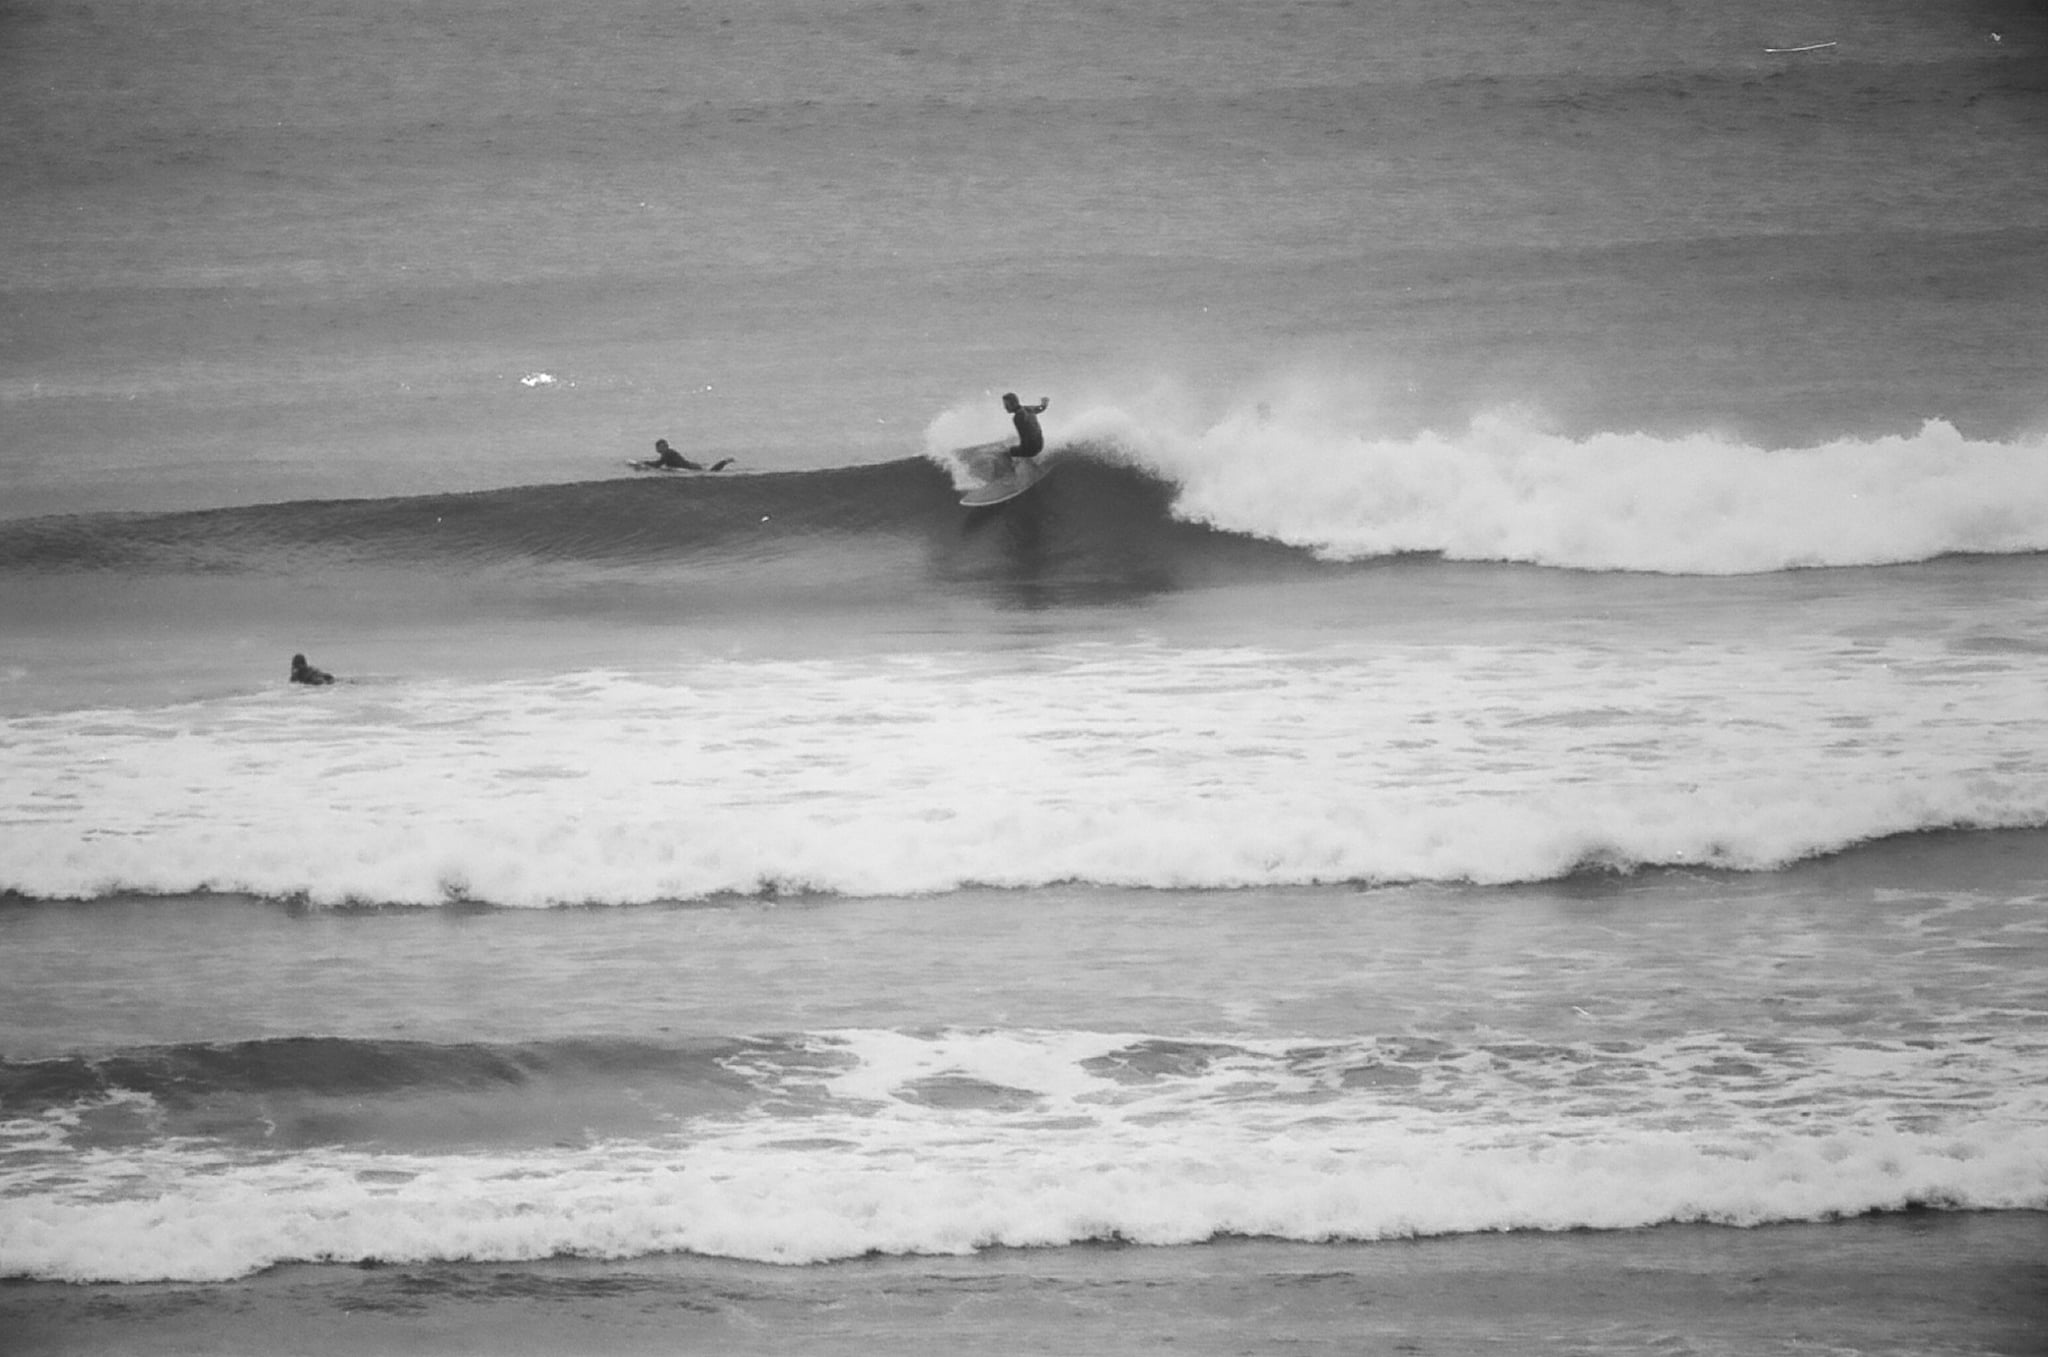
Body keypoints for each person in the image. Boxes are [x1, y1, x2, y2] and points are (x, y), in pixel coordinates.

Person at [1002, 394, 1050, 468]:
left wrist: (1021, 452)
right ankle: (1027, 461)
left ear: (1013, 404)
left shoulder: (1017, 417)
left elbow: (1025, 438)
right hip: (1040, 445)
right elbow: (1041, 408)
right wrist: (1044, 403)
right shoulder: (1028, 409)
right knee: (1019, 446)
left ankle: (1010, 473)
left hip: (1031, 449)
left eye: (1006, 405)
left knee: (1006, 453)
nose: (1005, 407)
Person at [646, 439, 733, 471]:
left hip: (690, 467)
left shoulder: (668, 453)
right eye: (660, 447)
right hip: (691, 466)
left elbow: (658, 464)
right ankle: (725, 461)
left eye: (663, 446)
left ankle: (725, 461)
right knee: (709, 471)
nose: (659, 449)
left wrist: (644, 464)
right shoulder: (668, 453)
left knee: (711, 472)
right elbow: (660, 464)